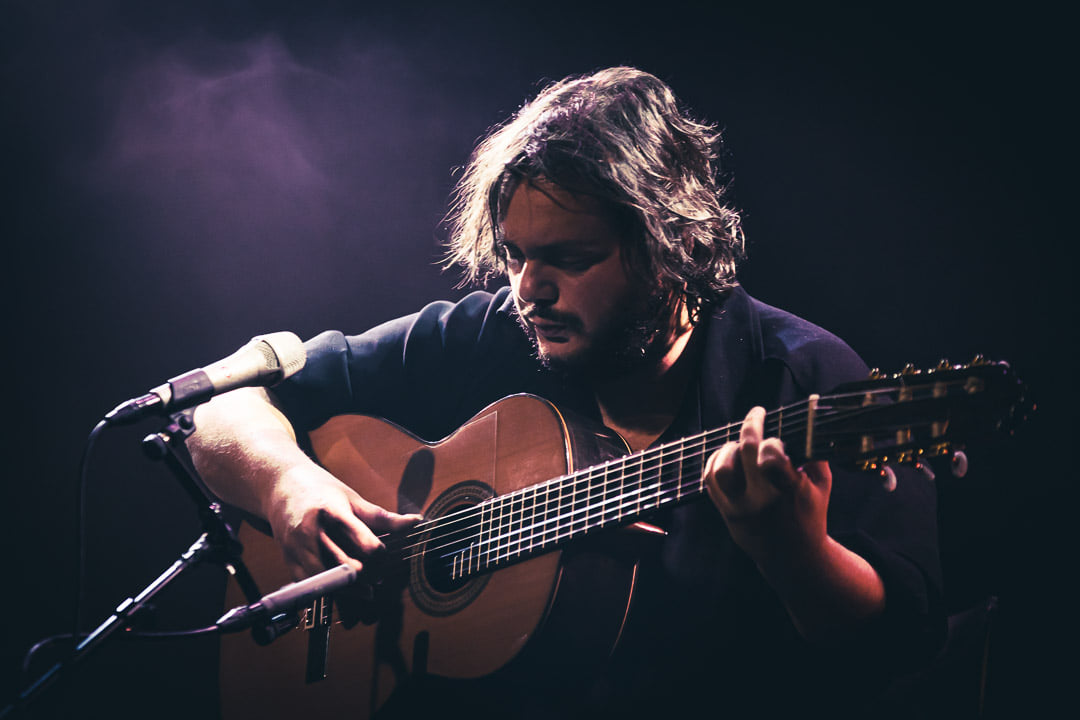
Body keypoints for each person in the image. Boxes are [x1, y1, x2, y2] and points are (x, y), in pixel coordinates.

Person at [188, 67, 944, 717]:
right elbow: (219, 408)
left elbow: (900, 647)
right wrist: (288, 485)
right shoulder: (492, 335)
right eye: (513, 256)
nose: (527, 290)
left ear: (672, 246)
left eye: (569, 258)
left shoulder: (798, 378)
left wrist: (794, 552)